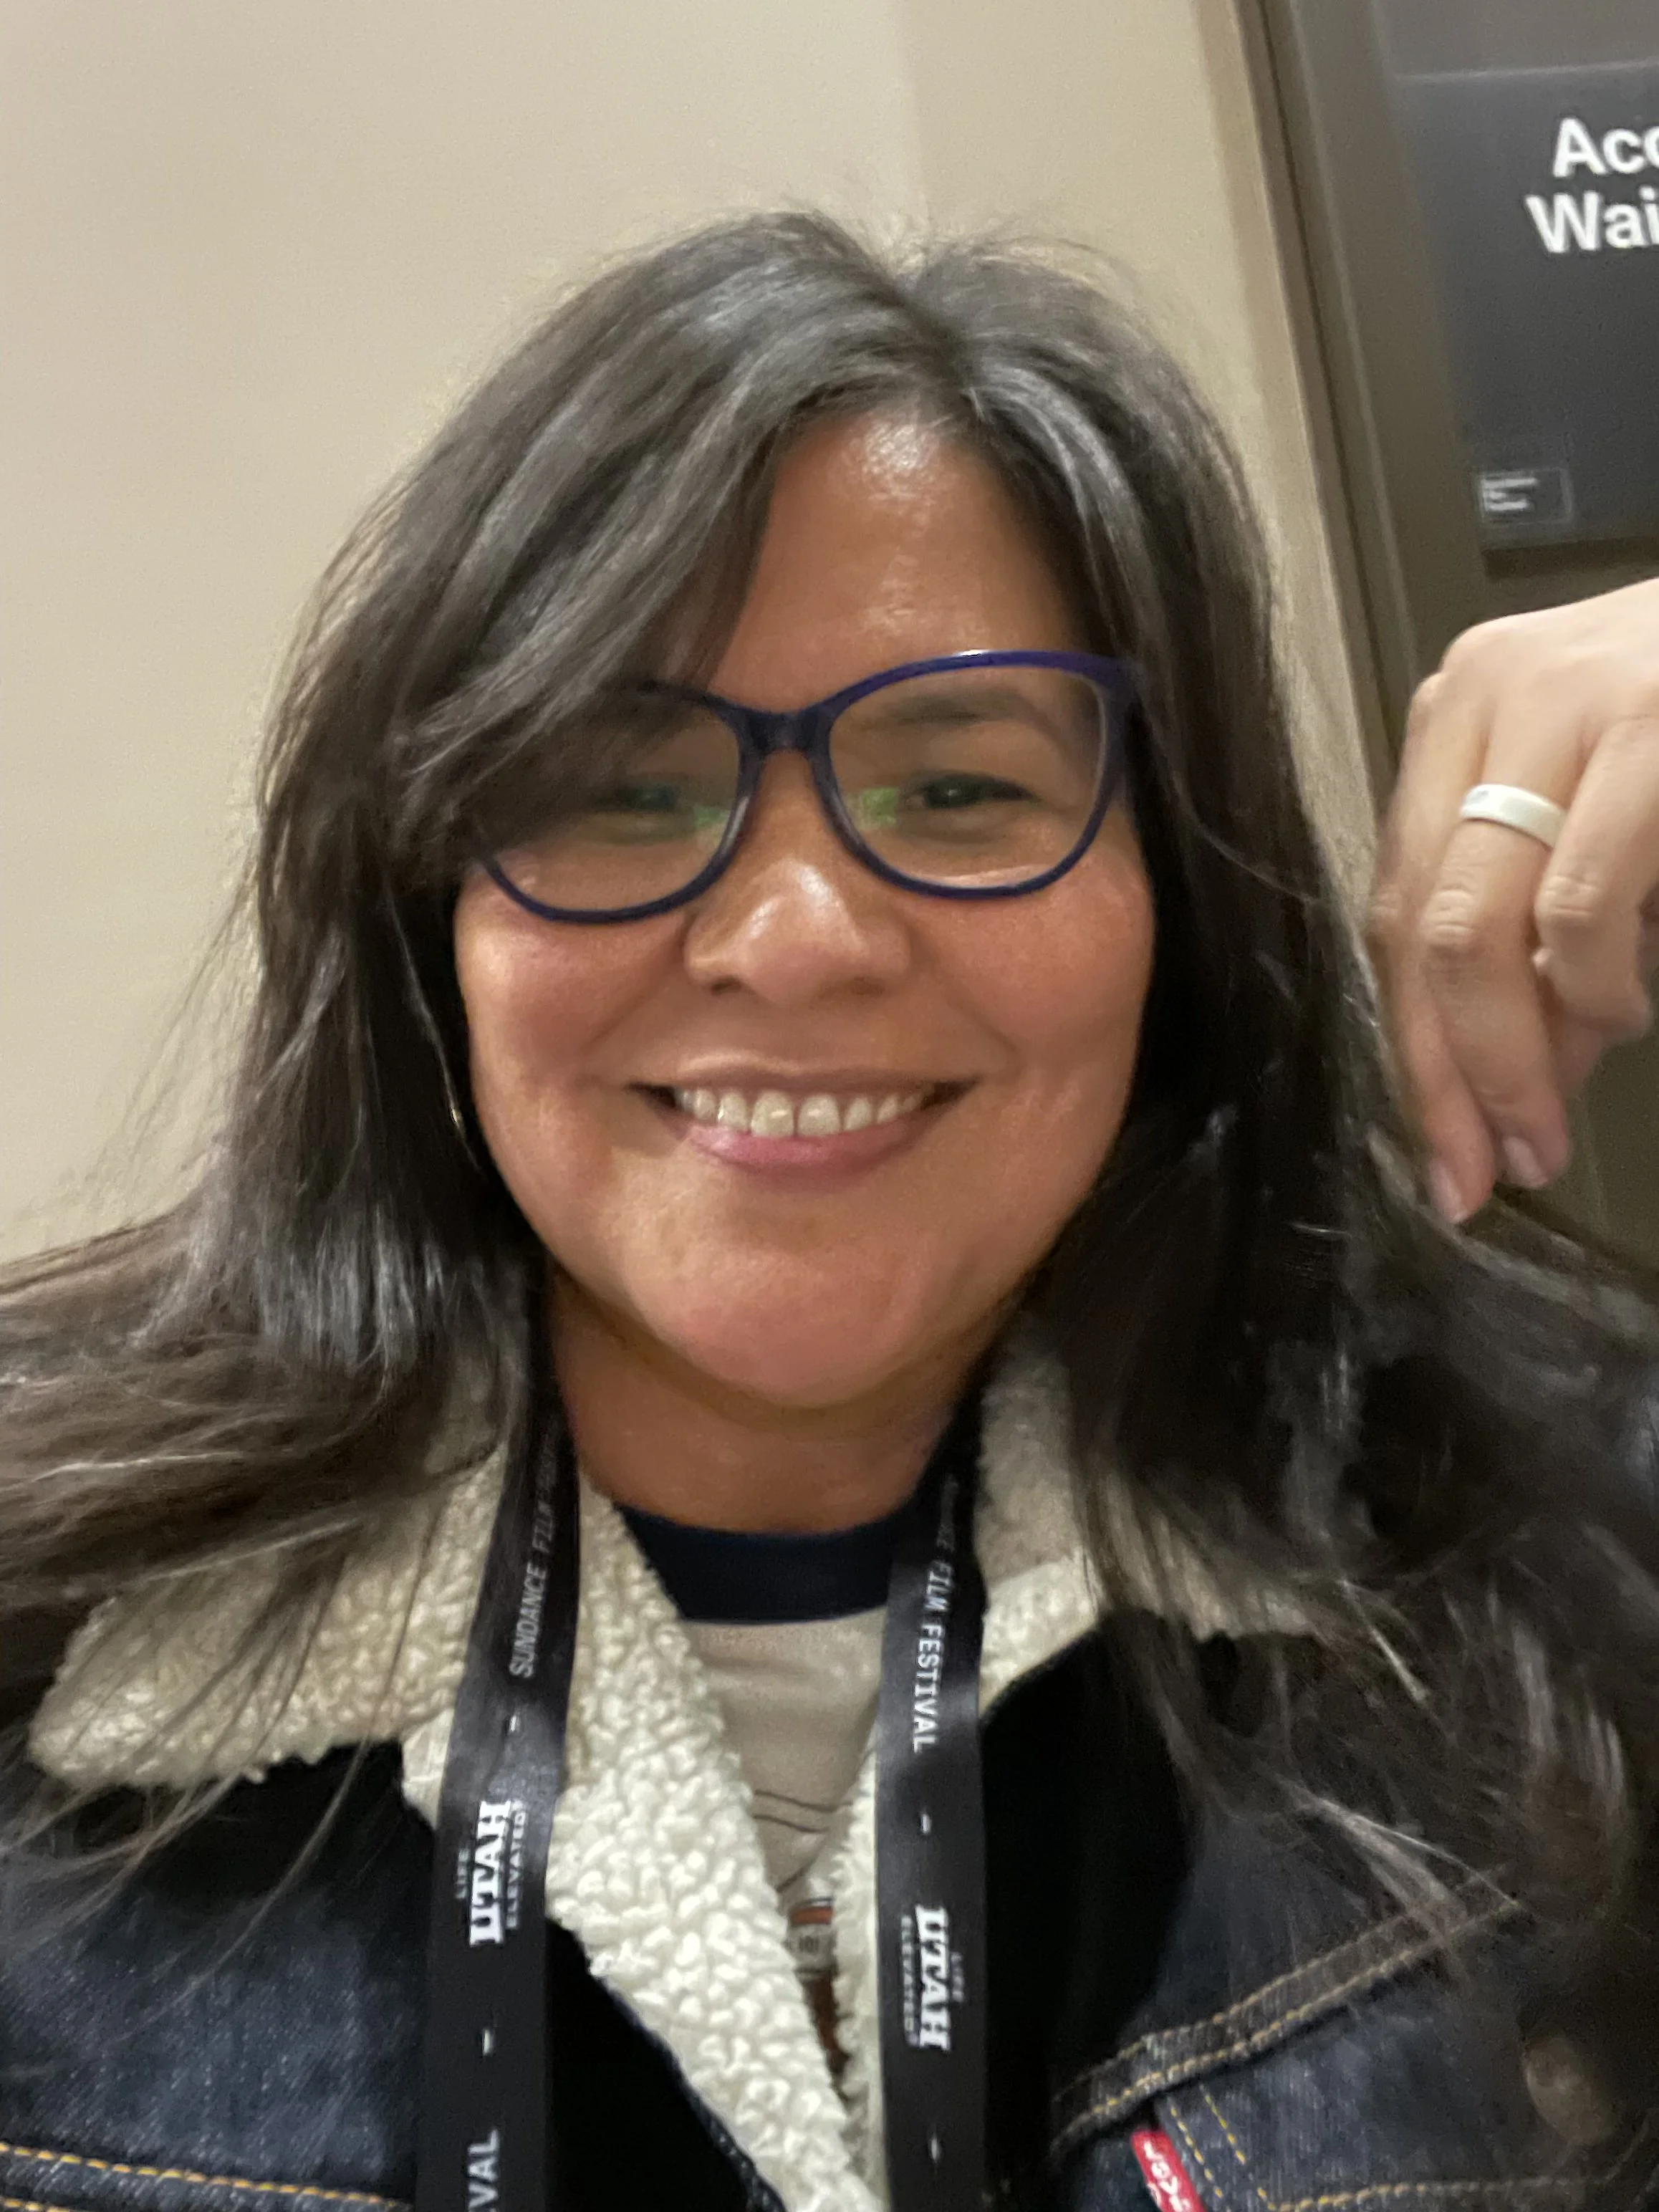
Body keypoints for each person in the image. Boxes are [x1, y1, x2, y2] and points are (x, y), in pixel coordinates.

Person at [1, 213, 1658, 2212]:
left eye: (959, 792)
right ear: (428, 920)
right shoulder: (39, 1623)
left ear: (1182, 903)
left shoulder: (1566, 1554)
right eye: (621, 790)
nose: (792, 940)